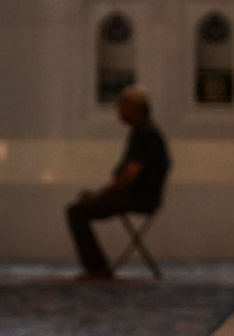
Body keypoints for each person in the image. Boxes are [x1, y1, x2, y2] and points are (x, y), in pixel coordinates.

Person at [65, 86, 170, 280]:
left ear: (134, 108)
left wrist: (100, 194)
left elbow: (129, 176)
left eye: (123, 107)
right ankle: (97, 267)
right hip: (140, 196)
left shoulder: (144, 133)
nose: (119, 112)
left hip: (139, 198)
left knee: (76, 211)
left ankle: (97, 268)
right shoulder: (147, 131)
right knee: (79, 209)